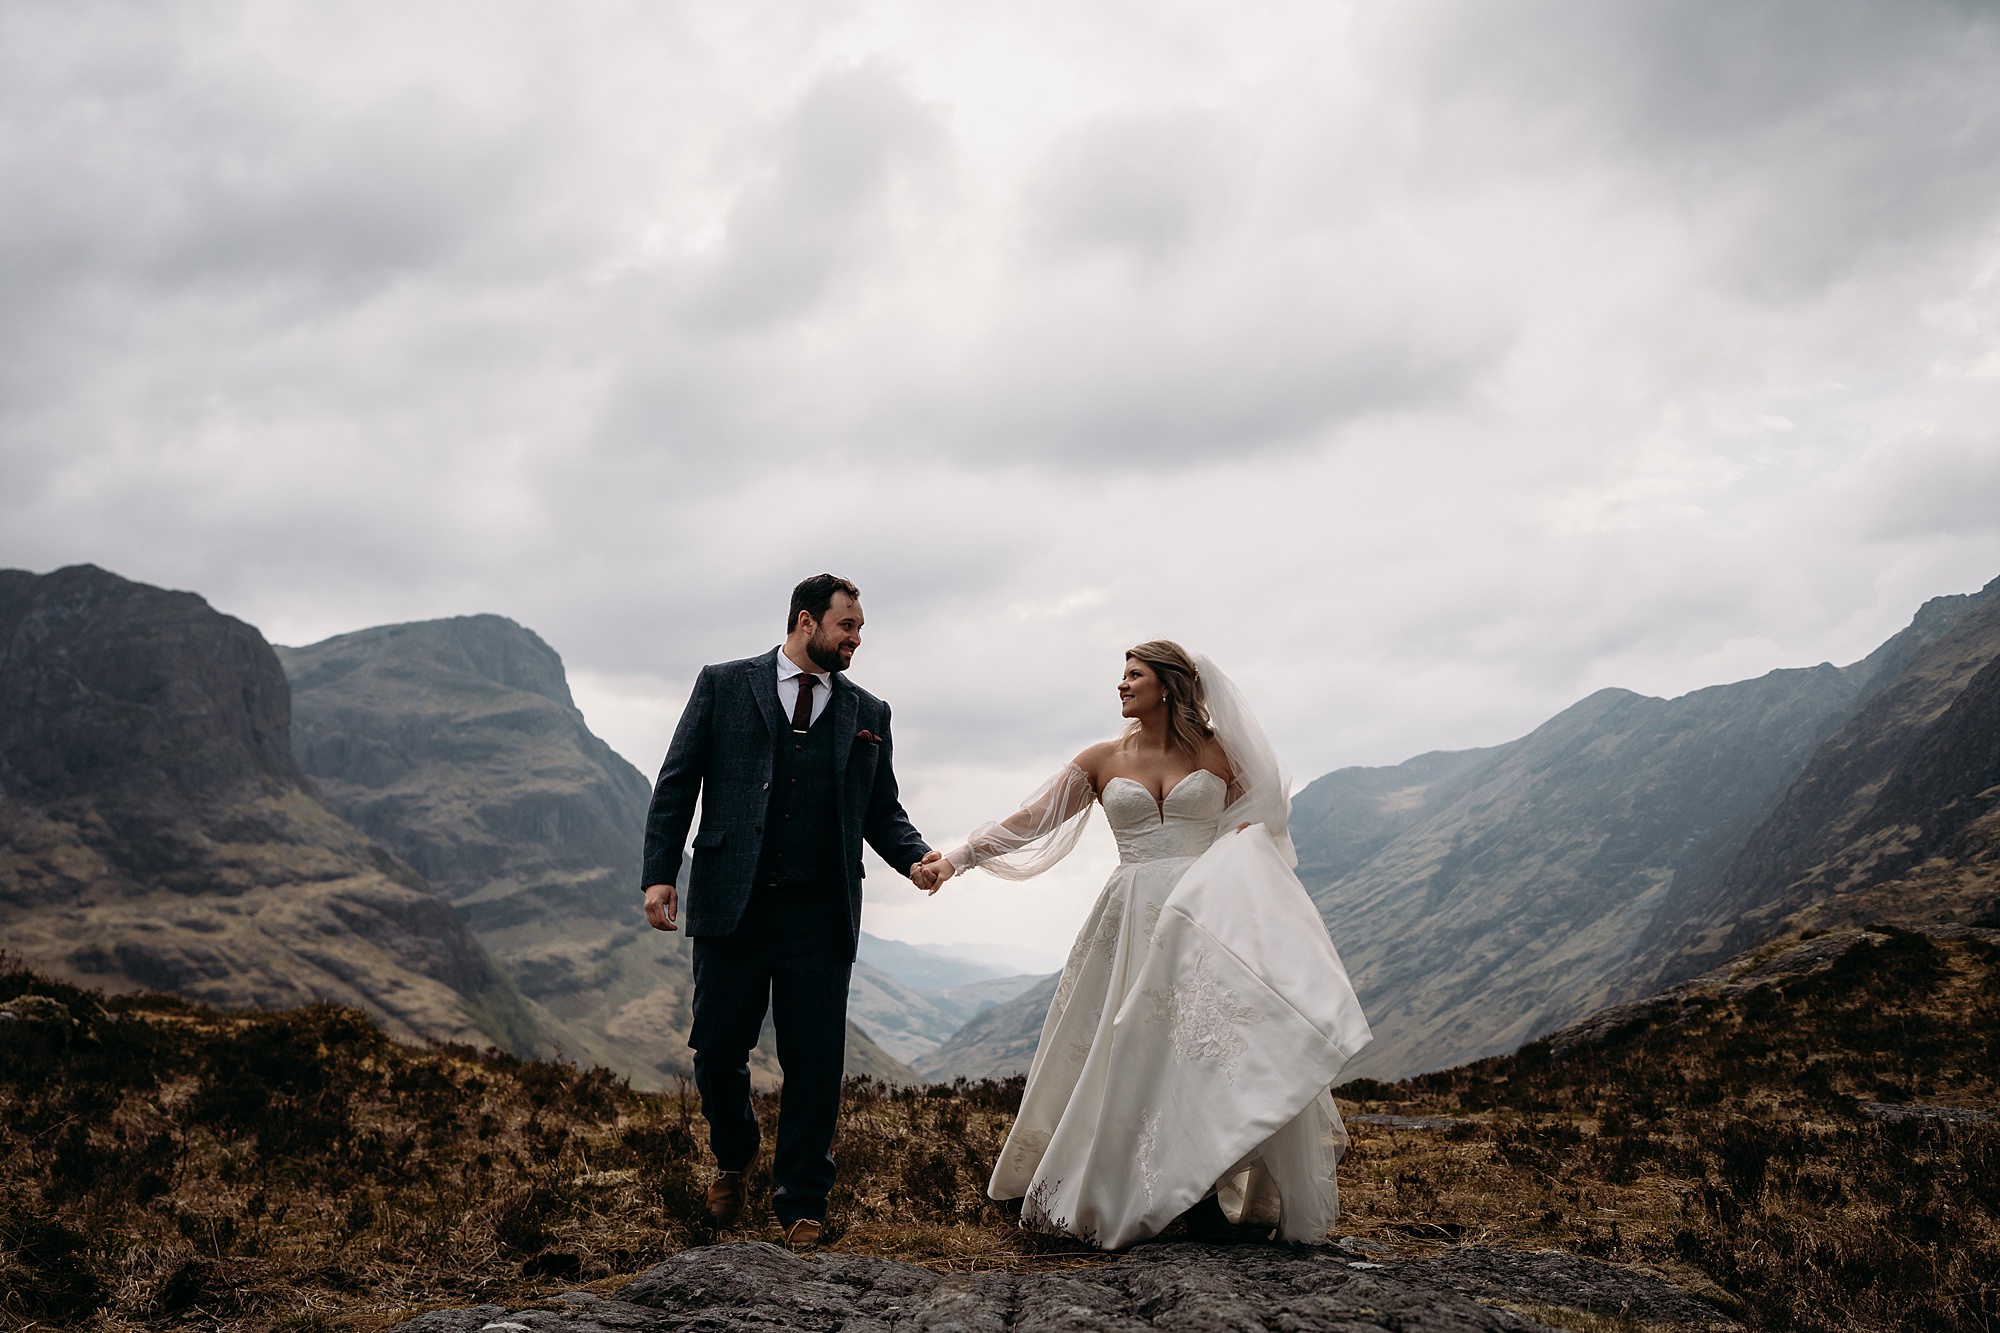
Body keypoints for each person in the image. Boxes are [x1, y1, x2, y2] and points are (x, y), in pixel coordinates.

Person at [915, 641, 1372, 1249]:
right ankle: (1118, 1184)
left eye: (1134, 676)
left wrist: (1237, 863)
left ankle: (1204, 1195)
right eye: (1123, 676)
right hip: (1128, 916)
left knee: (1198, 1054)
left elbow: (1265, 815)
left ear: (1168, 686)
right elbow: (1033, 818)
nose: (1122, 686)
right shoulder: (1101, 759)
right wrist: (960, 858)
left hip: (1206, 917)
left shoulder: (1219, 752)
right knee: (1128, 1048)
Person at [641, 574, 937, 1248]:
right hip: (730, 904)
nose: (856, 639)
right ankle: (735, 1151)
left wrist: (915, 857)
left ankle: (802, 1203)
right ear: (807, 621)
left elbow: (881, 810)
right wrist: (659, 873)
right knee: (716, 1049)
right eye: (848, 627)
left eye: (860, 629)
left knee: (815, 1065)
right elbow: (677, 780)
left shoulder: (870, 711)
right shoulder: (722, 684)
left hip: (820, 913)